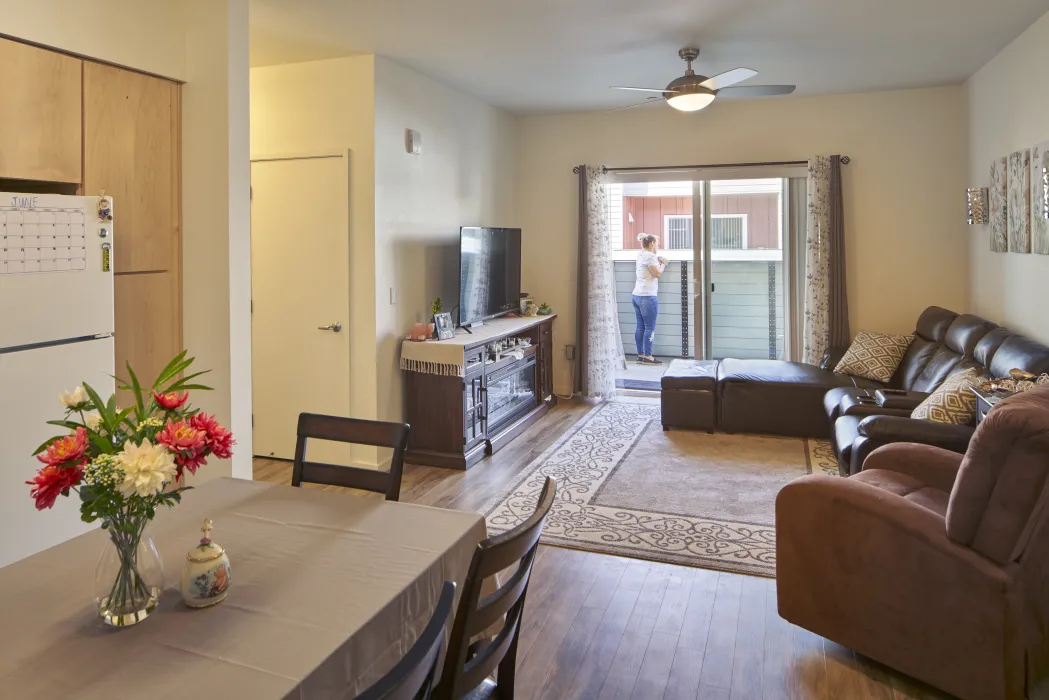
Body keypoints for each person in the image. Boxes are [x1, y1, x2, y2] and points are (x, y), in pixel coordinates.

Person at [632, 233, 667, 365]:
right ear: (652, 244)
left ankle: (640, 355)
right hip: (647, 297)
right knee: (649, 328)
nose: (657, 246)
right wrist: (663, 263)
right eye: (656, 243)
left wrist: (657, 259)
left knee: (640, 327)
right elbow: (657, 273)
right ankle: (648, 356)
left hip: (636, 295)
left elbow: (649, 265)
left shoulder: (640, 254)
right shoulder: (651, 256)